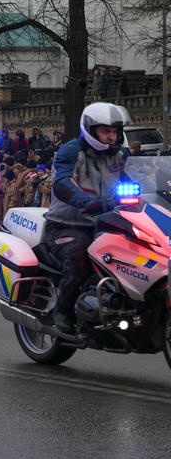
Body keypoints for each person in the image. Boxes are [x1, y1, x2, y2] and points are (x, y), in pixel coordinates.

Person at [43, 102, 132, 332]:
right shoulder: (72, 151)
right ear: (91, 130)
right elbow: (62, 181)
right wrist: (86, 201)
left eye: (115, 131)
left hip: (107, 223)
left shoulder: (120, 154)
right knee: (80, 253)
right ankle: (62, 310)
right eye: (106, 131)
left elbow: (134, 179)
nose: (112, 137)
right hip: (67, 225)